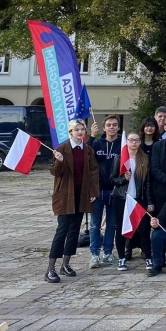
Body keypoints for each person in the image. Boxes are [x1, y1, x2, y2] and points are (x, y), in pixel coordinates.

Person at [45, 119, 99, 282]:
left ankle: (66, 264)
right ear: (70, 132)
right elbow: (55, 172)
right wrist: (60, 161)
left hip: (81, 194)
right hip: (65, 194)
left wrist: (93, 191)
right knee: (62, 230)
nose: (80, 132)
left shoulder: (88, 150)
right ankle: (50, 269)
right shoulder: (62, 149)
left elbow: (93, 171)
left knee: (74, 230)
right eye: (77, 130)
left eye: (82, 129)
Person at [110, 131, 152, 271]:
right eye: (131, 140)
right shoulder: (120, 158)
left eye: (136, 140)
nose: (134, 142)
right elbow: (112, 179)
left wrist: (149, 201)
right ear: (126, 142)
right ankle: (122, 258)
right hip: (122, 198)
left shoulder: (144, 159)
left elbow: (147, 183)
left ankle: (148, 257)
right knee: (121, 229)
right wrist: (123, 179)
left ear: (140, 142)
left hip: (139, 198)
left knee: (144, 228)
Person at [88, 114, 123, 267]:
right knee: (95, 225)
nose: (111, 127)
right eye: (108, 125)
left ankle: (108, 252)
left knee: (112, 225)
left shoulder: (122, 144)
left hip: (115, 190)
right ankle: (94, 254)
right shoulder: (97, 143)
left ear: (119, 127)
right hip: (97, 190)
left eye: (114, 125)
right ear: (104, 128)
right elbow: (86, 155)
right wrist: (91, 136)